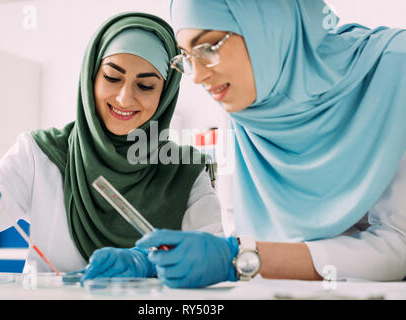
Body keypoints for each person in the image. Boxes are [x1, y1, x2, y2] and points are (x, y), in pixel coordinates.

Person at [136, 0, 406, 288]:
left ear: (267, 23)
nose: (198, 76)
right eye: (187, 57)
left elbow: (398, 245)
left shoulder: (394, 69)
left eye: (209, 47)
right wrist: (154, 260)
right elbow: (245, 235)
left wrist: (238, 258)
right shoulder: (244, 102)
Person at [0, 12, 224, 276]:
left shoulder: (186, 170)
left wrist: (149, 266)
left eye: (145, 86)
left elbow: (215, 258)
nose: (124, 98)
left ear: (165, 95)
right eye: (112, 77)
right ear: (91, 77)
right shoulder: (38, 153)